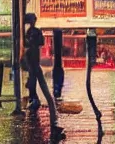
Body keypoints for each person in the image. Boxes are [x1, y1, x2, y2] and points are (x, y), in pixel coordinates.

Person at [23, 13, 65, 141]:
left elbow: (36, 44)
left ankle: (52, 120)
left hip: (33, 61)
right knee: (37, 83)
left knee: (39, 84)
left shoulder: (31, 32)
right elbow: (39, 43)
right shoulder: (32, 32)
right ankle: (35, 100)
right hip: (33, 61)